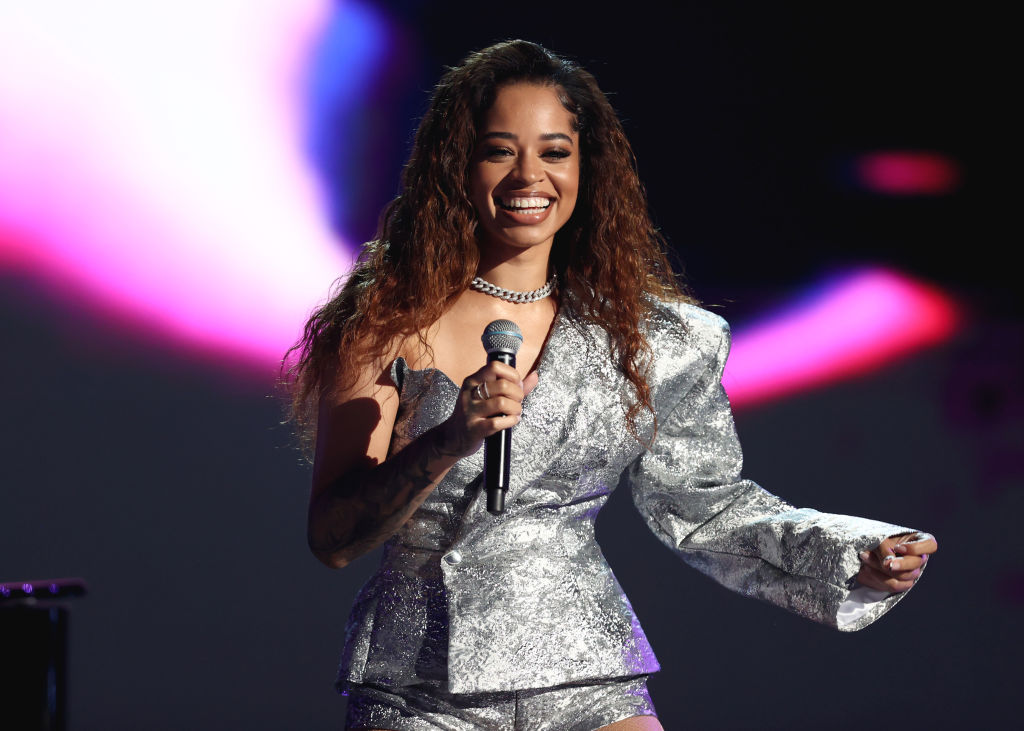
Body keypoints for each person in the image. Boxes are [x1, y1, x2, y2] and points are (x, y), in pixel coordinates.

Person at [286, 40, 937, 731]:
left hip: (584, 669)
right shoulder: (385, 320)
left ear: (586, 168)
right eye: (499, 150)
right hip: (417, 683)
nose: (528, 175)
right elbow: (333, 537)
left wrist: (849, 555)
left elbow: (706, 508)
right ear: (457, 166)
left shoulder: (653, 339)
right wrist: (448, 439)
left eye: (555, 152)